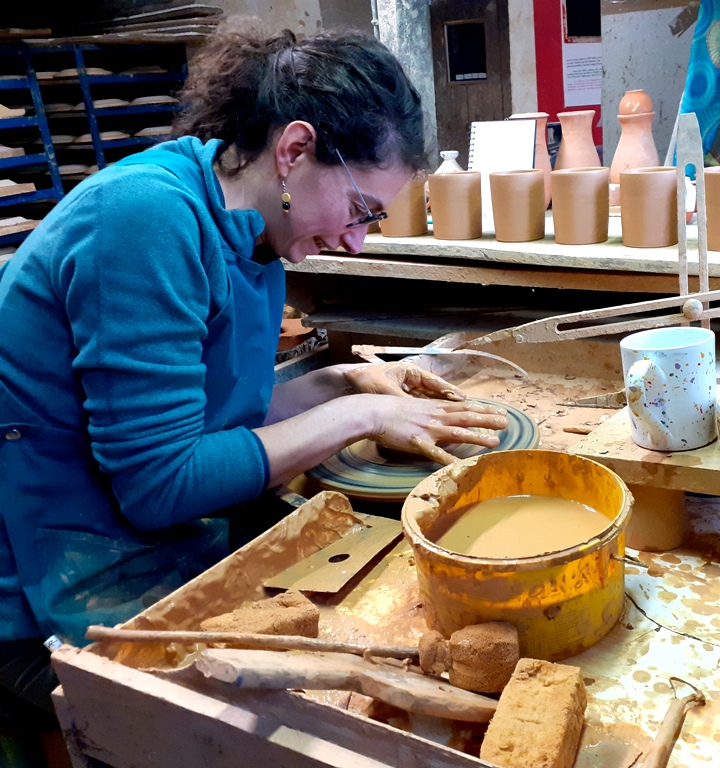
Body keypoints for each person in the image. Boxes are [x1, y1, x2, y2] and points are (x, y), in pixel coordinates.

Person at [0, 18, 508, 743]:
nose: (355, 242)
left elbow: (216, 421)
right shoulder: (145, 219)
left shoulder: (259, 233)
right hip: (54, 571)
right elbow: (160, 483)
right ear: (295, 150)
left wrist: (344, 384)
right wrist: (358, 422)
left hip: (147, 527)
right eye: (361, 210)